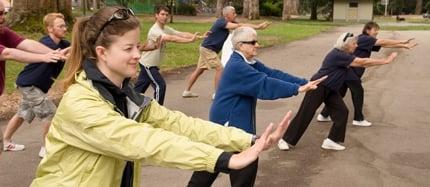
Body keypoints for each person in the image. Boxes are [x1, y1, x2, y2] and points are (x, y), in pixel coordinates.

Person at [31, 6, 292, 186]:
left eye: (138, 46)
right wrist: (224, 159)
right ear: (102, 52)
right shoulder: (80, 102)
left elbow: (179, 123)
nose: (137, 54)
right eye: (129, 48)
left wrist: (248, 139)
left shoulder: (124, 95)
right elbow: (145, 141)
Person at [187, 27, 326, 187]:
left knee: (208, 168)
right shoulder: (237, 67)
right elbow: (264, 84)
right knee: (230, 168)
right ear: (240, 45)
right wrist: (296, 89)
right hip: (229, 128)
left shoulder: (246, 62)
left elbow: (272, 74)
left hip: (230, 127)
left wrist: (303, 82)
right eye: (253, 42)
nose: (257, 45)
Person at [278, 32, 398, 151]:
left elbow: (360, 62)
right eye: (354, 43)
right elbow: (362, 62)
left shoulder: (345, 54)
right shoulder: (338, 54)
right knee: (306, 113)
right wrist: (385, 61)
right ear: (345, 44)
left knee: (342, 112)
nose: (356, 46)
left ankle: (331, 141)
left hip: (331, 89)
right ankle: (285, 140)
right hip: (318, 87)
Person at [317, 21, 417, 127]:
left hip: (348, 70)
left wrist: (403, 45)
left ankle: (324, 115)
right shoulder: (365, 38)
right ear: (367, 30)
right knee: (358, 92)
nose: (377, 32)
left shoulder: (367, 41)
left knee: (340, 93)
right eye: (375, 30)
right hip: (350, 71)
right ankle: (358, 119)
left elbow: (383, 44)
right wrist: (402, 41)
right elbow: (382, 41)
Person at [0, 2, 66, 154]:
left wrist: (54, 53)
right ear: (50, 28)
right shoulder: (46, 41)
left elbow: (25, 43)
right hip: (30, 85)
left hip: (31, 85)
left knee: (23, 114)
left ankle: (7, 141)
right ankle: (46, 149)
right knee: (50, 114)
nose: (3, 18)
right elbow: (8, 53)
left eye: (4, 13)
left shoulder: (3, 32)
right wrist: (45, 56)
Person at [183, 6, 269, 99]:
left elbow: (242, 24)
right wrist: (258, 26)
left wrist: (258, 27)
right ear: (227, 15)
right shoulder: (221, 22)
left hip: (207, 48)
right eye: (234, 13)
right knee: (220, 69)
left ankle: (186, 91)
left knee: (199, 70)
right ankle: (217, 94)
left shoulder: (229, 22)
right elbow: (239, 26)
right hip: (208, 49)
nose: (235, 14)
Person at [135, 6, 206, 105]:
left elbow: (180, 34)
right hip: (148, 65)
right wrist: (190, 40)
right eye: (162, 14)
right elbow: (171, 38)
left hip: (151, 64)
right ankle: (158, 111)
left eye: (166, 15)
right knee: (160, 86)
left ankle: (127, 104)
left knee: (138, 90)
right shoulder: (155, 30)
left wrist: (199, 37)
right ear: (156, 15)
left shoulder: (165, 28)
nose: (165, 17)